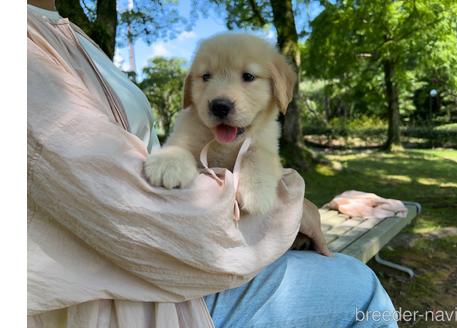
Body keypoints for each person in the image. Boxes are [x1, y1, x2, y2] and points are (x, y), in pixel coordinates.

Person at [27, 1, 398, 327]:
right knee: (360, 290)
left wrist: (267, 185)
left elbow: (259, 166)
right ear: (192, 87)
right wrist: (291, 208)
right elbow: (138, 196)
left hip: (180, 264)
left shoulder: (67, 31)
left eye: (248, 77)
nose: (221, 96)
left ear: (279, 88)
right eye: (205, 78)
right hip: (128, 297)